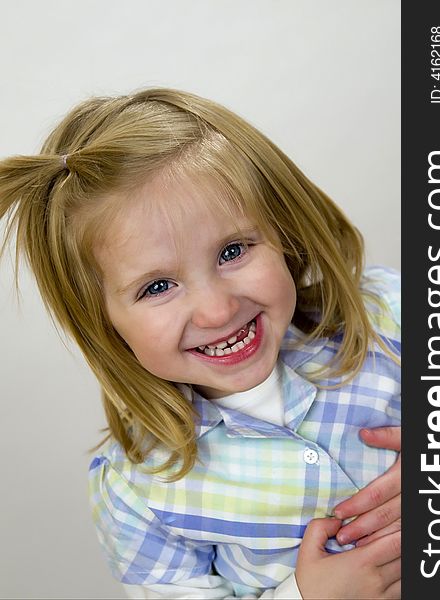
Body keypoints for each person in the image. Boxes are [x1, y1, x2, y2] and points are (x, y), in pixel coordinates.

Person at [0, 88, 401, 599]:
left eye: (233, 250)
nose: (217, 310)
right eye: (158, 287)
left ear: (281, 232)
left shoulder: (388, 316)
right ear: (104, 323)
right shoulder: (140, 492)